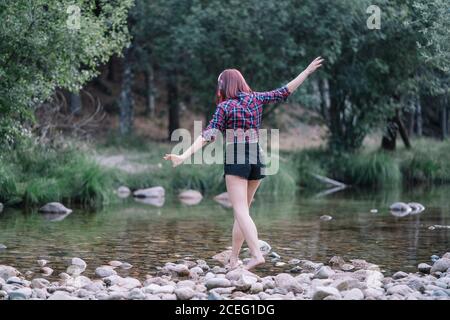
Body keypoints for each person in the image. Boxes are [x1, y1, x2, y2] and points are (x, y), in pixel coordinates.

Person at [164, 57, 324, 270]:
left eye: (219, 83)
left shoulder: (225, 107)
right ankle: (233, 259)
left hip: (237, 155)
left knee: (240, 210)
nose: (218, 86)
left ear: (225, 85)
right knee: (243, 211)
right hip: (257, 156)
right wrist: (306, 71)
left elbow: (208, 135)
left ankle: (257, 255)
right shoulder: (255, 98)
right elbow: (284, 91)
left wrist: (183, 156)